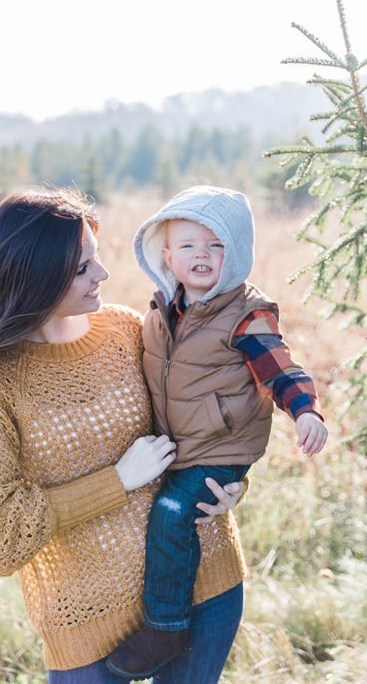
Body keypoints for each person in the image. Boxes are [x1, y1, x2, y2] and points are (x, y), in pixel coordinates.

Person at [0, 189, 248, 683]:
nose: (101, 274)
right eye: (82, 268)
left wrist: (228, 483)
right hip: (84, 619)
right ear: (33, 276)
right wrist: (116, 480)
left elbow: (207, 412)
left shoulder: (127, 329)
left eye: (96, 258)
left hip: (201, 579)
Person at [106, 186, 327, 679]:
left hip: (221, 446)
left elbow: (279, 369)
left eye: (216, 245)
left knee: (170, 512)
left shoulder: (246, 314)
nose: (201, 255)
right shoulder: (162, 311)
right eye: (188, 245)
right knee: (159, 510)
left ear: (238, 252)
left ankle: (166, 625)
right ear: (166, 256)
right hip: (182, 444)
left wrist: (306, 410)